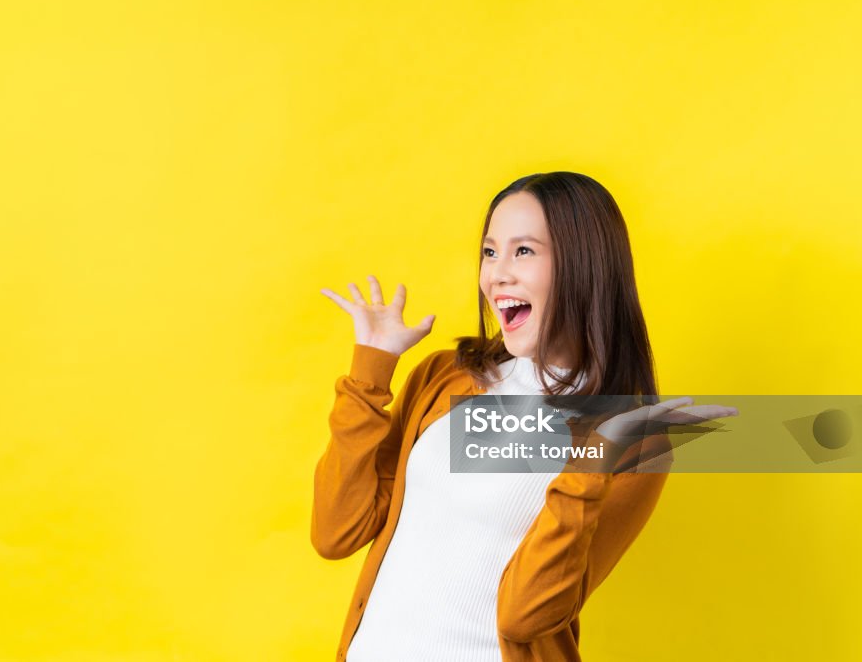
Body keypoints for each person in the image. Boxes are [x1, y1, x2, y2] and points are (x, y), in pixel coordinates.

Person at [312, 171, 737, 662]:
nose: (498, 274)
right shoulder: (444, 379)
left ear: (585, 267)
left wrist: (591, 464)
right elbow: (335, 532)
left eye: (524, 251)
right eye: (490, 252)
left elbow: (525, 616)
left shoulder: (634, 441)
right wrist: (370, 374)